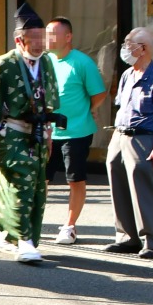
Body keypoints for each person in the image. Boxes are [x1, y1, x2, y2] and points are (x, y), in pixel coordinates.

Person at [0, 3, 61, 263]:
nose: (40, 45)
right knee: (21, 186)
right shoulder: (3, 64)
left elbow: (50, 101)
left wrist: (49, 135)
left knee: (37, 189)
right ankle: (25, 243)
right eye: (35, 39)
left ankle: (10, 235)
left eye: (43, 39)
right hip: (12, 134)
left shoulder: (47, 63)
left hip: (38, 135)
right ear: (20, 39)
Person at [104, 26, 153, 258]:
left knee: (144, 189)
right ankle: (127, 237)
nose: (125, 48)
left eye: (129, 44)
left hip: (144, 137)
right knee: (118, 184)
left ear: (142, 48)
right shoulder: (127, 75)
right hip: (120, 134)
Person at [45, 17, 108, 245]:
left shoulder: (82, 62)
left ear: (68, 37)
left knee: (75, 180)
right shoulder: (44, 61)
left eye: (53, 33)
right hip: (48, 131)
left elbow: (99, 93)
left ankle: (70, 226)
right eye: (46, 33)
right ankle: (33, 222)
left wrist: (88, 109)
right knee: (40, 179)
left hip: (77, 132)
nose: (47, 38)